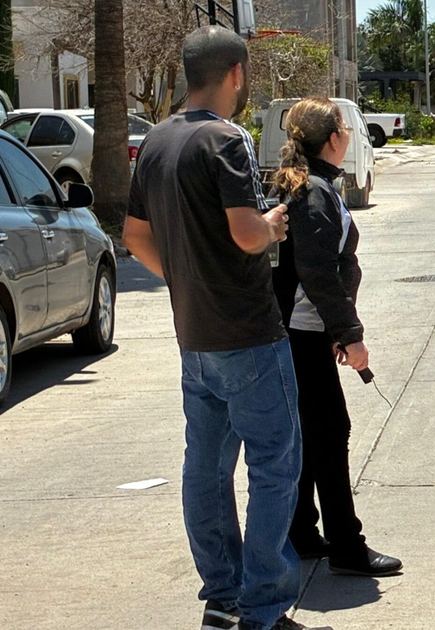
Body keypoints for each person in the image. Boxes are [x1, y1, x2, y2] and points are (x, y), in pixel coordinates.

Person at [123, 26, 309, 630]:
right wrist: (274, 222)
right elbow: (244, 232)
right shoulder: (226, 139)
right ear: (235, 74)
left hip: (194, 337)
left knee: (205, 468)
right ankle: (262, 607)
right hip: (249, 333)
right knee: (275, 467)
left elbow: (134, 237)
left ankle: (222, 598)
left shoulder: (154, 141)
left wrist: (181, 278)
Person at [270, 98, 403, 578]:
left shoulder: (310, 186)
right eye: (346, 126)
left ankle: (302, 532)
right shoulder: (316, 193)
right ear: (333, 140)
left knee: (311, 433)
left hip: (302, 334)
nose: (349, 132)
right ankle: (347, 546)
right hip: (302, 335)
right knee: (332, 432)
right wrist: (349, 335)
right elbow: (319, 273)